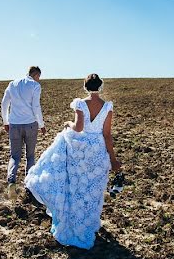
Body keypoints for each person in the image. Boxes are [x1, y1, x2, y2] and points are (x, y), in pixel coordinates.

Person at [25, 74, 122, 249]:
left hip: (81, 152)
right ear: (100, 87)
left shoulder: (80, 104)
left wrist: (68, 123)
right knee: (92, 192)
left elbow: (78, 128)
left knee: (76, 189)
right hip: (98, 152)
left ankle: (73, 224)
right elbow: (107, 135)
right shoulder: (107, 107)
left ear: (85, 86)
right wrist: (113, 159)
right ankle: (87, 225)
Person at [1, 66, 46, 198]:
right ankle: (28, 185)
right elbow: (36, 106)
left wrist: (6, 122)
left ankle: (11, 182)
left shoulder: (12, 84)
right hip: (30, 124)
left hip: (14, 124)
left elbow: (4, 104)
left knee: (14, 156)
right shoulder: (35, 86)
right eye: (39, 77)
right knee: (30, 155)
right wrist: (41, 124)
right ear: (36, 75)